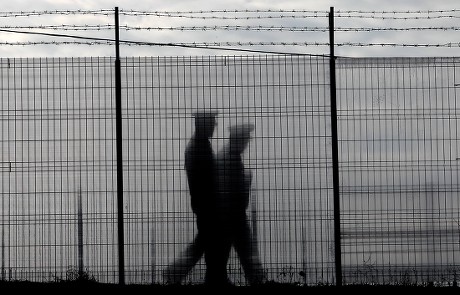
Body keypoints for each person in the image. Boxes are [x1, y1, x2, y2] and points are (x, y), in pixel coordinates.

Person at [163, 110, 219, 285]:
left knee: (205, 241)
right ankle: (176, 272)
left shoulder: (198, 145)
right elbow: (205, 178)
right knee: (206, 242)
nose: (214, 126)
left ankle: (180, 273)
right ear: (203, 125)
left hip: (203, 202)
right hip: (206, 202)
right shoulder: (199, 147)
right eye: (212, 123)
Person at [212, 123, 266, 286]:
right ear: (240, 140)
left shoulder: (225, 155)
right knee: (247, 253)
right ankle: (257, 281)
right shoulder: (231, 158)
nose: (247, 144)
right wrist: (247, 180)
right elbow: (236, 194)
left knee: (224, 254)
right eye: (246, 140)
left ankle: (219, 280)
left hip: (225, 215)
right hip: (233, 216)